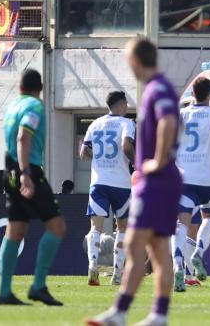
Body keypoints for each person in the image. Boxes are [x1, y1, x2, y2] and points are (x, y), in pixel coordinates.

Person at [87, 39, 181, 326]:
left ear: (138, 61)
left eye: (129, 60)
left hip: (155, 181)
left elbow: (168, 122)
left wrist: (157, 160)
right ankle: (158, 316)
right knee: (159, 251)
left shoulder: (156, 88)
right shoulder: (161, 87)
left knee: (135, 243)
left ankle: (120, 312)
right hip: (163, 181)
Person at [0, 69, 66, 306]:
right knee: (57, 226)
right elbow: (23, 137)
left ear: (20, 87)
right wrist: (26, 173)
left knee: (15, 230)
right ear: (41, 88)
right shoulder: (35, 107)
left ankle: (4, 291)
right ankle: (38, 286)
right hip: (28, 171)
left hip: (10, 171)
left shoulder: (12, 106)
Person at [173, 76, 210, 291]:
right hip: (208, 177)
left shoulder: (180, 114)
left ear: (192, 94)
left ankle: (178, 265)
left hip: (183, 177)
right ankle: (198, 250)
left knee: (181, 223)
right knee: (209, 217)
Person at [80, 91, 135, 287]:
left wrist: (99, 159)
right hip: (121, 183)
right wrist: (136, 163)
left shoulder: (94, 124)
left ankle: (93, 265)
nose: (127, 107)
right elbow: (127, 146)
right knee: (123, 228)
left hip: (99, 181)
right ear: (120, 105)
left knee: (95, 227)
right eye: (126, 103)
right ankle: (117, 274)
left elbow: (83, 152)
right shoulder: (126, 123)